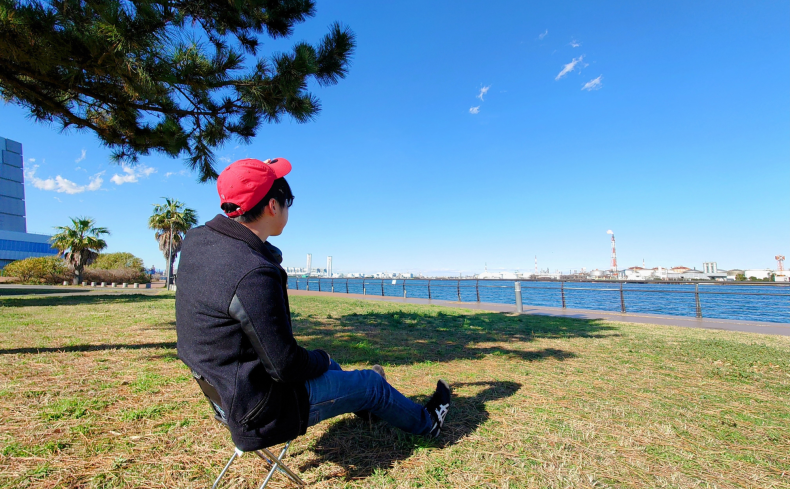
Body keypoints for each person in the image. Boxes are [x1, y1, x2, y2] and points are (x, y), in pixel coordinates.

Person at [175, 157, 451, 452]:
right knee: (369, 381)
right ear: (272, 206)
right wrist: (321, 356)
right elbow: (285, 367)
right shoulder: (252, 272)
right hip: (261, 409)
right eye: (287, 203)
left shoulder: (198, 240)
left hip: (226, 390)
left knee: (332, 366)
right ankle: (426, 423)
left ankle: (366, 402)